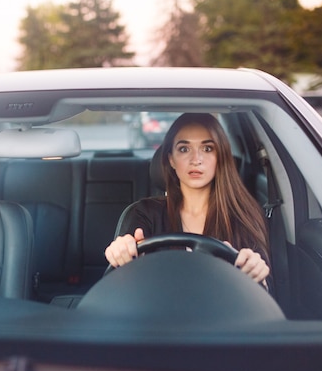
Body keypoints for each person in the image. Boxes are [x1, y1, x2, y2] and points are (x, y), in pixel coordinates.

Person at [104, 113, 270, 288]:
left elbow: (264, 293)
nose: (196, 160)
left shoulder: (243, 216)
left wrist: (257, 273)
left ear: (220, 157)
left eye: (207, 149)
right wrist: (120, 253)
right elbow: (117, 287)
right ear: (171, 160)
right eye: (184, 149)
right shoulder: (143, 214)